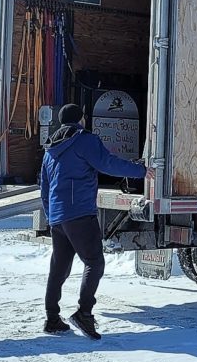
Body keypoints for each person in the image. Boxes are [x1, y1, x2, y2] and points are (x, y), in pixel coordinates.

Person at [40, 103, 153, 339]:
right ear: (81, 118)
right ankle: (84, 313)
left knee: (59, 268)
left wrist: (52, 216)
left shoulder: (51, 149)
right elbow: (107, 163)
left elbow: (45, 186)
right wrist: (141, 171)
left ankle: (52, 318)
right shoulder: (84, 140)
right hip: (80, 213)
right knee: (94, 262)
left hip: (59, 217)